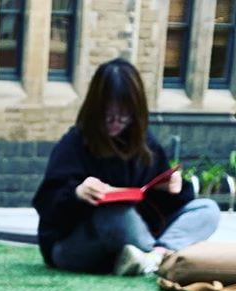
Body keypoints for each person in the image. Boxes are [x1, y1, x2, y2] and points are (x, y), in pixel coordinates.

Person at [33, 59, 220, 276]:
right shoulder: (75, 143)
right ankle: (156, 258)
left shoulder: (144, 144)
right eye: (108, 115)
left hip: (137, 236)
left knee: (207, 209)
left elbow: (169, 206)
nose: (115, 122)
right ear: (95, 110)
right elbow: (46, 204)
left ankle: (155, 256)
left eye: (124, 116)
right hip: (78, 244)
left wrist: (174, 187)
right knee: (114, 213)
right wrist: (76, 193)